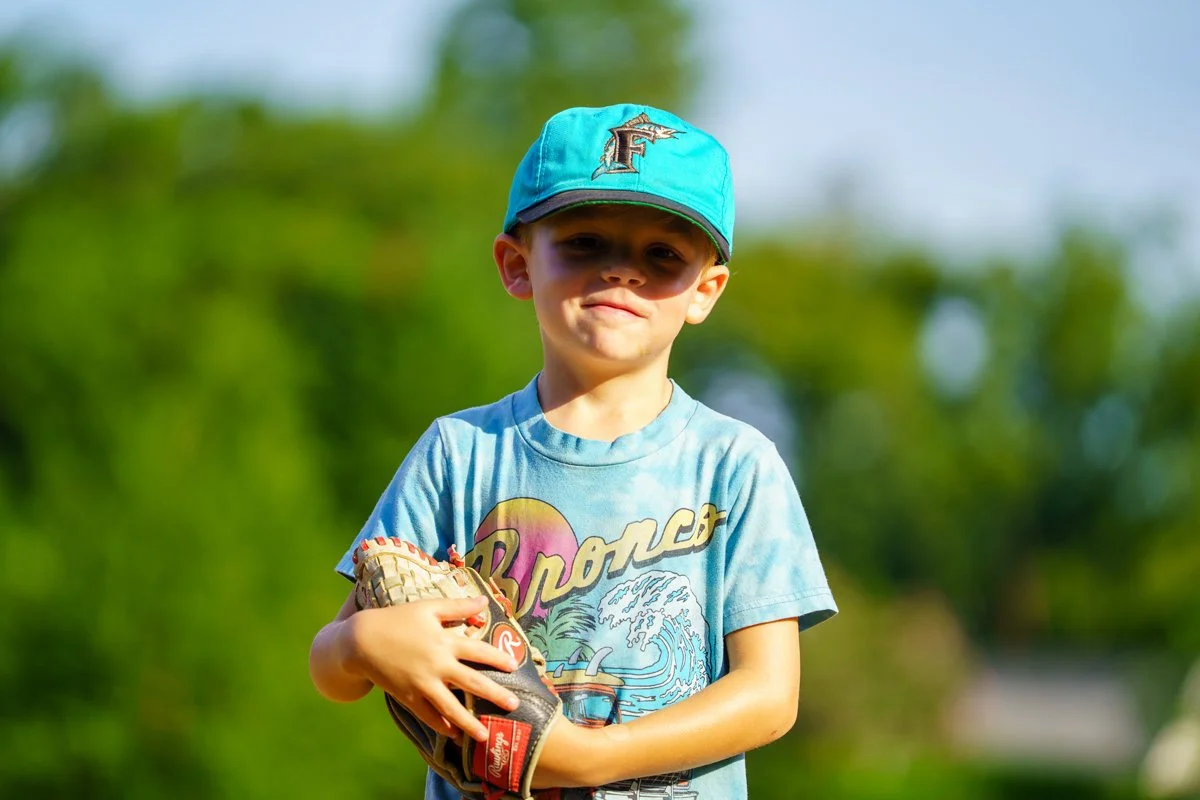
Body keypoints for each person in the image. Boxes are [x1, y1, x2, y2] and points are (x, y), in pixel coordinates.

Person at [309, 103, 838, 799]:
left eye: (663, 254)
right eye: (585, 242)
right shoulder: (460, 454)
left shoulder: (736, 466)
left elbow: (770, 697)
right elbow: (332, 665)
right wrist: (362, 647)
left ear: (705, 290)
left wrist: (592, 758)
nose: (621, 271)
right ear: (517, 263)